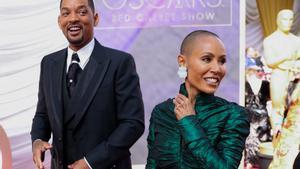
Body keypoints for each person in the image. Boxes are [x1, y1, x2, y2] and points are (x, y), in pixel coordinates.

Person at [30, 0, 145, 168]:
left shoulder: (119, 63)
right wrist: (38, 140)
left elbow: (132, 123)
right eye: (66, 13)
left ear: (96, 18)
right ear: (59, 21)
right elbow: (43, 114)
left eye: (82, 12)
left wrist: (91, 162)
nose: (73, 19)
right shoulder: (49, 63)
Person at [146, 30, 250, 169]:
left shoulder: (233, 115)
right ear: (183, 62)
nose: (217, 68)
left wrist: (189, 123)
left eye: (222, 61)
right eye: (207, 59)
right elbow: (152, 164)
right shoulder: (162, 112)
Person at [263, 9, 300, 147]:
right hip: (279, 75)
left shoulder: (296, 40)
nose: (288, 22)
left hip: (294, 75)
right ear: (278, 21)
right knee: (278, 107)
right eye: (285, 19)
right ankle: (278, 139)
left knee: (295, 107)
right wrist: (286, 55)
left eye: (291, 19)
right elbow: (270, 61)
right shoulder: (270, 40)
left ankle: (293, 139)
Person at [244, 60, 271, 169]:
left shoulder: (265, 84)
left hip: (262, 121)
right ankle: (250, 163)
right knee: (249, 143)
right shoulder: (243, 84)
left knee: (262, 145)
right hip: (249, 120)